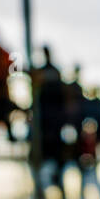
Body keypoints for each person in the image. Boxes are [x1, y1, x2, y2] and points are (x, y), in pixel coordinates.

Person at [32, 47, 67, 189]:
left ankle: (54, 174)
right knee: (48, 143)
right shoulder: (49, 71)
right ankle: (48, 175)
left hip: (52, 114)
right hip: (47, 114)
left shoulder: (51, 71)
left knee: (54, 144)